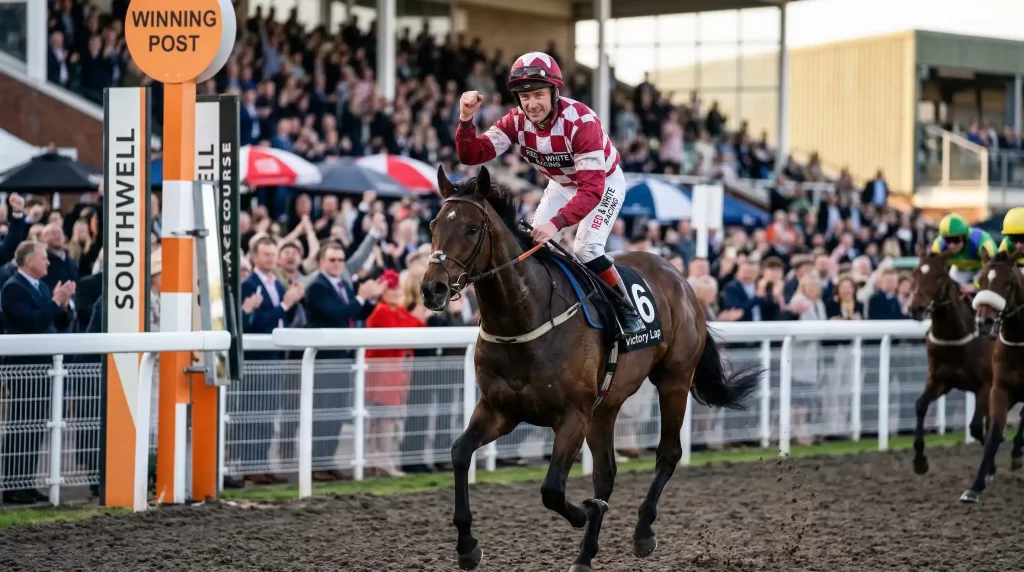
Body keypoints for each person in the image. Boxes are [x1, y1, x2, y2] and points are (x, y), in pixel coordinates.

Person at [454, 51, 645, 335]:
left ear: (555, 92)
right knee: (530, 246)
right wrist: (466, 119)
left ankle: (627, 310)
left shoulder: (581, 122)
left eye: (538, 95)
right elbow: (472, 155)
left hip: (602, 183)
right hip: (562, 185)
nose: (531, 104)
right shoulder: (515, 121)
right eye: (524, 96)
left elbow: (592, 190)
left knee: (585, 248)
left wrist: (555, 223)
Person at [930, 213, 996, 294]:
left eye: (956, 239)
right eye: (948, 240)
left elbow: (994, 270)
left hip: (983, 269)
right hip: (960, 269)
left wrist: (975, 286)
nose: (952, 245)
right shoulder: (938, 245)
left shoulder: (982, 241)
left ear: (965, 237)